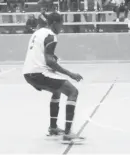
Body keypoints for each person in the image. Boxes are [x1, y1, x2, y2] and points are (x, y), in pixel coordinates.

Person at [22, 12, 84, 142]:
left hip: (28, 73)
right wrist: (70, 74)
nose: (62, 27)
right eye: (61, 24)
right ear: (55, 24)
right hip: (39, 72)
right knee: (73, 92)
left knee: (57, 91)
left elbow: (43, 55)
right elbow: (49, 61)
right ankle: (67, 133)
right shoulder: (52, 36)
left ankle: (53, 127)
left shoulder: (38, 32)